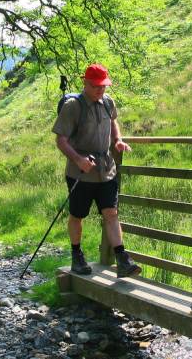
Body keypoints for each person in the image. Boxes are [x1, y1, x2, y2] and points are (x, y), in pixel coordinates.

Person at [52, 63, 141, 279]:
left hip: (106, 168)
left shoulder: (108, 102)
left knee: (111, 212)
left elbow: (113, 122)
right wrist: (79, 160)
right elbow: (61, 140)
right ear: (85, 83)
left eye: (104, 86)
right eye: (96, 87)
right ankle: (77, 256)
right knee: (77, 215)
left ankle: (122, 260)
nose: (101, 90)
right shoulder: (73, 106)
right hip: (79, 172)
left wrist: (117, 141)